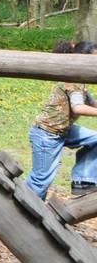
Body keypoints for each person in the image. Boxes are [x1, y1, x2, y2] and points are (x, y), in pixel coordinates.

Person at [26, 41, 97, 199]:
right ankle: (23, 211)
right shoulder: (73, 80)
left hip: (64, 130)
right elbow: (78, 107)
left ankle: (83, 181)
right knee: (41, 180)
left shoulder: (81, 81)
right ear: (82, 60)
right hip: (47, 133)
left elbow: (92, 104)